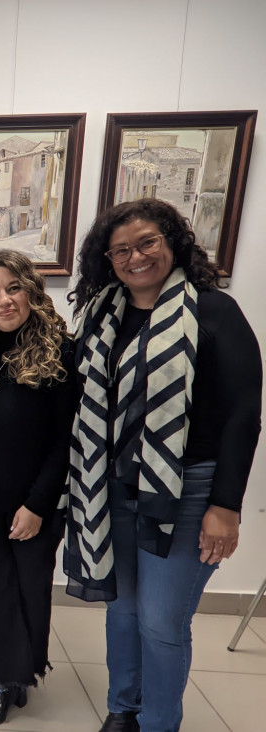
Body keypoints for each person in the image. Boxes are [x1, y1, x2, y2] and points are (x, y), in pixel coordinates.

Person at [65, 199, 262, 732]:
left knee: (161, 621)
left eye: (147, 242)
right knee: (122, 610)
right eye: (122, 249)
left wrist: (226, 506)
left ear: (172, 241)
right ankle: (121, 709)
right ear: (108, 259)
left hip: (190, 492)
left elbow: (244, 415)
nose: (135, 257)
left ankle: (157, 722)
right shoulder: (101, 315)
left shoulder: (212, 310)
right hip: (112, 490)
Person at [0, 250, 77, 725]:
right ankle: (10, 674)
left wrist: (37, 504)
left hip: (35, 502)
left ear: (31, 291)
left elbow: (66, 439)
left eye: (12, 289)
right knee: (0, 588)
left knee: (31, 590)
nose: (3, 301)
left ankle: (16, 673)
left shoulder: (60, 351)